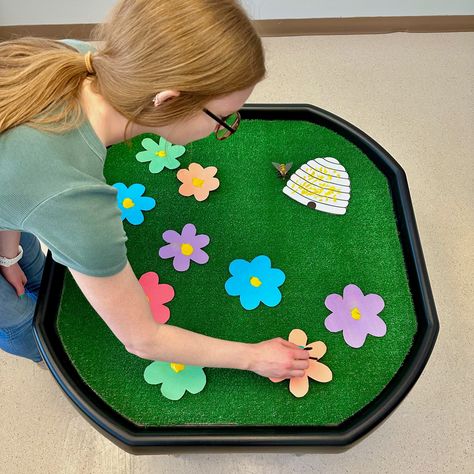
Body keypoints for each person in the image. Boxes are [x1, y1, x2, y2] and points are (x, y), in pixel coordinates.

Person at [0, 0, 309, 378]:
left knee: (28, 267)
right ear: (167, 100)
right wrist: (253, 357)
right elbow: (142, 338)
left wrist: (8, 254)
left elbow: (16, 179)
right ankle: (38, 353)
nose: (221, 130)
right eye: (222, 119)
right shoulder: (76, 201)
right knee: (21, 324)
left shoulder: (77, 57)